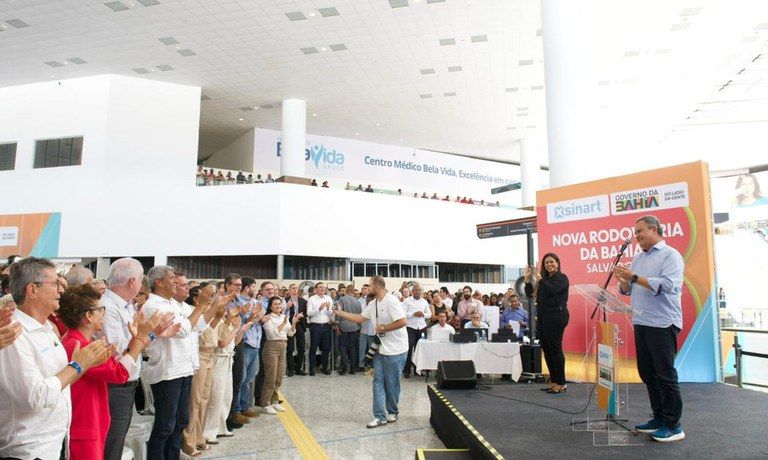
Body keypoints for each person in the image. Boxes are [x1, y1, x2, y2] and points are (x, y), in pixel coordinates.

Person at [0, 257, 111, 460]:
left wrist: (82, 365)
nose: (61, 290)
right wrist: (78, 365)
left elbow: (61, 381)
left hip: (54, 443)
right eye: (55, 284)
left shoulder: (47, 329)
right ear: (32, 290)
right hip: (28, 450)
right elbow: (34, 398)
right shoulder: (13, 332)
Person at [59, 284, 159, 459]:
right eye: (100, 309)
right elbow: (119, 373)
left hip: (91, 420)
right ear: (89, 316)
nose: (103, 314)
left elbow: (115, 367)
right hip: (85, 424)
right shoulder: (79, 345)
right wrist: (141, 339)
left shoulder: (79, 340)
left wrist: (136, 341)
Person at [614, 215, 686, 442]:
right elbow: (628, 290)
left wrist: (634, 277)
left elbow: (668, 285)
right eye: (635, 233)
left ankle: (674, 425)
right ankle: (659, 417)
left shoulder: (670, 255)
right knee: (647, 373)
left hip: (662, 323)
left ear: (654, 230)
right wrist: (624, 280)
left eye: (640, 232)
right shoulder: (637, 257)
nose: (637, 237)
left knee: (665, 375)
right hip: (641, 322)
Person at [100, 258, 178, 460]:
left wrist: (153, 334)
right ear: (133, 282)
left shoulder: (127, 306)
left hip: (127, 381)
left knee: (117, 439)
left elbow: (137, 344)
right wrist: (144, 336)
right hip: (115, 383)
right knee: (112, 442)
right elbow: (118, 351)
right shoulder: (109, 308)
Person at [333, 275, 408, 429]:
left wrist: (383, 328)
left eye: (370, 286)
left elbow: (403, 321)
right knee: (378, 381)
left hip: (396, 350)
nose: (366, 289)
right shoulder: (373, 303)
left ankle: (392, 411)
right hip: (380, 349)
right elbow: (360, 318)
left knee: (392, 384)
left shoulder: (391, 301)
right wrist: (340, 313)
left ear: (377, 287)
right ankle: (379, 416)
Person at [525, 252, 569, 395]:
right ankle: (554, 380)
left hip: (557, 316)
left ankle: (561, 383)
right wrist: (527, 280)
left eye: (552, 262)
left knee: (555, 349)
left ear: (557, 263)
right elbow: (531, 295)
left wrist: (540, 280)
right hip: (544, 317)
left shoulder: (561, 278)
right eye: (546, 263)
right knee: (547, 349)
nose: (549, 265)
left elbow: (553, 291)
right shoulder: (543, 280)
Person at [260, 296, 302, 414]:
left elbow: (290, 333)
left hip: (283, 347)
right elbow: (273, 334)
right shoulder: (268, 318)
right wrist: (284, 323)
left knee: (278, 378)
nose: (278, 306)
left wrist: (293, 322)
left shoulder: (284, 317)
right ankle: (265, 404)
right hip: (271, 347)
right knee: (270, 378)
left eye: (279, 304)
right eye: (275, 304)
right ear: (270, 306)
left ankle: (274, 401)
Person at [402, 283, 430, 378]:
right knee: (409, 348)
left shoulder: (424, 301)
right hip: (410, 328)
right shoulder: (407, 301)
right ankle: (407, 370)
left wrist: (423, 315)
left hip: (422, 327)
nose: (417, 292)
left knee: (420, 349)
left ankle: (418, 370)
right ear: (412, 291)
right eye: (416, 290)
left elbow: (429, 314)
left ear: (421, 292)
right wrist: (414, 314)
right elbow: (403, 314)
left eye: (419, 290)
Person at [307, 282, 334, 375]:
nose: (322, 289)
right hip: (315, 326)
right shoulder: (311, 299)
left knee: (326, 348)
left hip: (326, 326)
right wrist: (319, 309)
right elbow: (309, 313)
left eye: (324, 287)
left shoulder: (329, 298)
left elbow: (331, 314)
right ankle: (312, 369)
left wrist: (327, 309)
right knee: (313, 348)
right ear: (316, 289)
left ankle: (325, 367)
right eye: (320, 287)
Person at [335, 284, 362, 375]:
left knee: (342, 347)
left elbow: (339, 313)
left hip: (344, 327)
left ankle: (344, 367)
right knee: (352, 348)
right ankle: (353, 369)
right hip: (354, 327)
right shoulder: (358, 302)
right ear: (353, 291)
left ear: (346, 291)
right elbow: (360, 315)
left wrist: (337, 324)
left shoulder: (342, 300)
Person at [284, 283, 308, 376]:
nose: (294, 290)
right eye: (292, 288)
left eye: (296, 288)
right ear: (289, 290)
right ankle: (290, 369)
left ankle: (298, 368)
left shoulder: (303, 301)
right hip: (289, 325)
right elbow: (282, 313)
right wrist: (287, 307)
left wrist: (301, 316)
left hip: (300, 325)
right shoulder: (285, 300)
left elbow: (306, 313)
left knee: (301, 347)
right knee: (290, 348)